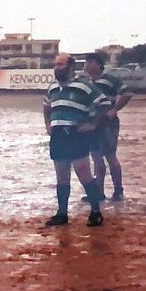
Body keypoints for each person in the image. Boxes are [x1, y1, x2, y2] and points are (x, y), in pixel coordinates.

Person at [43, 53, 111, 227]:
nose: (57, 67)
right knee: (61, 176)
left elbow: (104, 105)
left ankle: (96, 212)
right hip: (58, 135)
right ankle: (62, 213)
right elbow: (46, 106)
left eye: (60, 64)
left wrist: (93, 125)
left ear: (71, 67)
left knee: (84, 173)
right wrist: (48, 125)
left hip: (75, 134)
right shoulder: (52, 88)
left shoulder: (84, 86)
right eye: (56, 64)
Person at [82, 53, 133, 201]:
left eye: (90, 62)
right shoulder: (85, 81)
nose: (87, 65)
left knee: (110, 156)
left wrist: (115, 109)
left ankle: (118, 190)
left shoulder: (110, 79)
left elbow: (127, 92)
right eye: (86, 62)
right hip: (92, 123)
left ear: (99, 64)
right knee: (96, 158)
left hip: (107, 123)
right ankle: (99, 191)